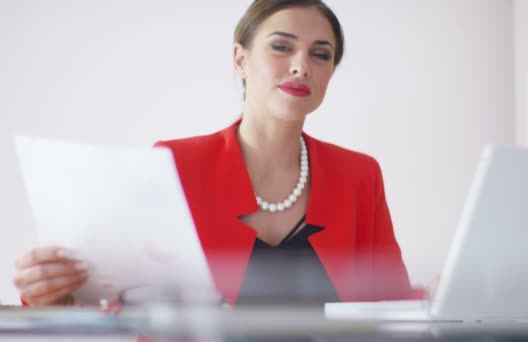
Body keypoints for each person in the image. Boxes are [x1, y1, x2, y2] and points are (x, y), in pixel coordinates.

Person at [12, 0, 425, 307]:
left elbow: (395, 307)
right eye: (282, 47)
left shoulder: (359, 175)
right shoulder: (173, 164)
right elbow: (112, 298)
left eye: (321, 54)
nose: (302, 66)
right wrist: (53, 290)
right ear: (240, 59)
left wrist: (448, 301)